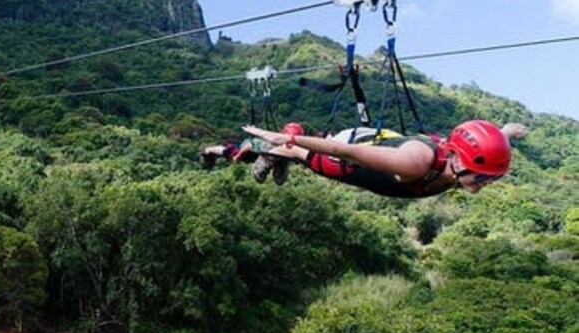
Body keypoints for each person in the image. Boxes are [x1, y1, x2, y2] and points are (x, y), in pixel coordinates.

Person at [203, 120, 526, 198]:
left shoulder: (463, 159)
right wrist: (288, 139)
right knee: (274, 154)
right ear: (458, 161)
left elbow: (485, 144)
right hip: (345, 157)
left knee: (289, 154)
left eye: (491, 179)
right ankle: (274, 145)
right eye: (482, 178)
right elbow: (346, 152)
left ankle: (281, 150)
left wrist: (506, 132)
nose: (484, 185)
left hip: (370, 144)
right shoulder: (416, 163)